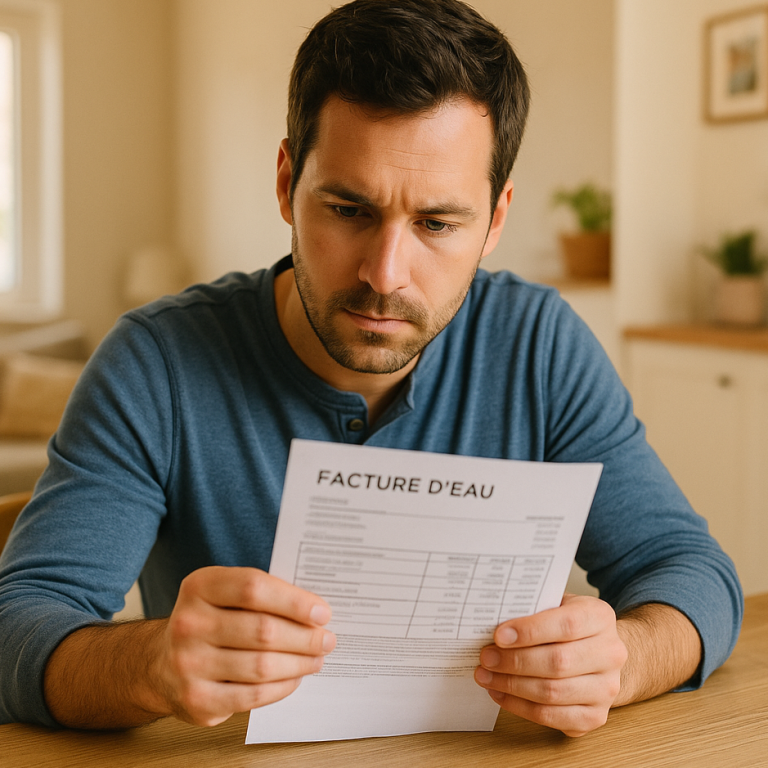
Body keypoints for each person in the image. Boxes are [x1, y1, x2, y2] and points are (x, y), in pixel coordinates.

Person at [0, 0, 742, 738]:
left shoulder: (539, 345)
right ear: (288, 180)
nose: (386, 274)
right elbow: (18, 625)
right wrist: (150, 663)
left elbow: (692, 571)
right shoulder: (155, 363)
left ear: (497, 220)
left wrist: (624, 657)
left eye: (437, 223)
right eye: (349, 210)